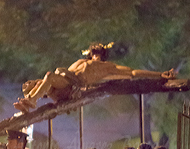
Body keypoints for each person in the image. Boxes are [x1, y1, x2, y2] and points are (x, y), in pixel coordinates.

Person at [13, 43, 176, 112]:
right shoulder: (80, 62)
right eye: (94, 54)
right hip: (62, 82)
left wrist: (159, 74)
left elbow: (133, 73)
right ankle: (28, 101)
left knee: (48, 76)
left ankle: (32, 101)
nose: (95, 57)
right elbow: (65, 74)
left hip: (71, 87)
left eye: (98, 54)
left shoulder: (107, 67)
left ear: (102, 55)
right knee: (40, 81)